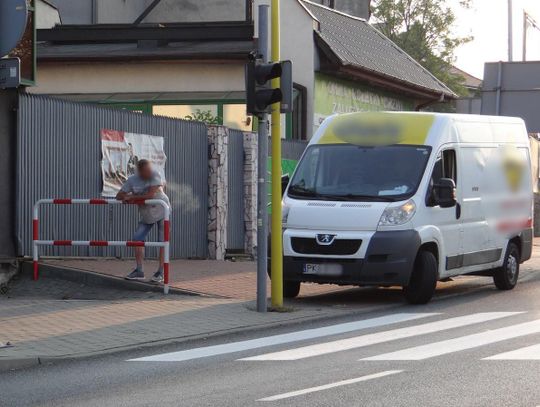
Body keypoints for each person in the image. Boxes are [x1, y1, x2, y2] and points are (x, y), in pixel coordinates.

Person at [116, 159, 170, 282]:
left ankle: (160, 272)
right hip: (147, 215)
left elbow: (150, 195)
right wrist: (125, 197)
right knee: (137, 238)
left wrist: (131, 197)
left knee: (163, 241)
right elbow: (118, 195)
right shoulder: (132, 180)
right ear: (140, 172)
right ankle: (139, 270)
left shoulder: (155, 175)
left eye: (150, 170)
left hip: (163, 211)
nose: (149, 173)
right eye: (146, 171)